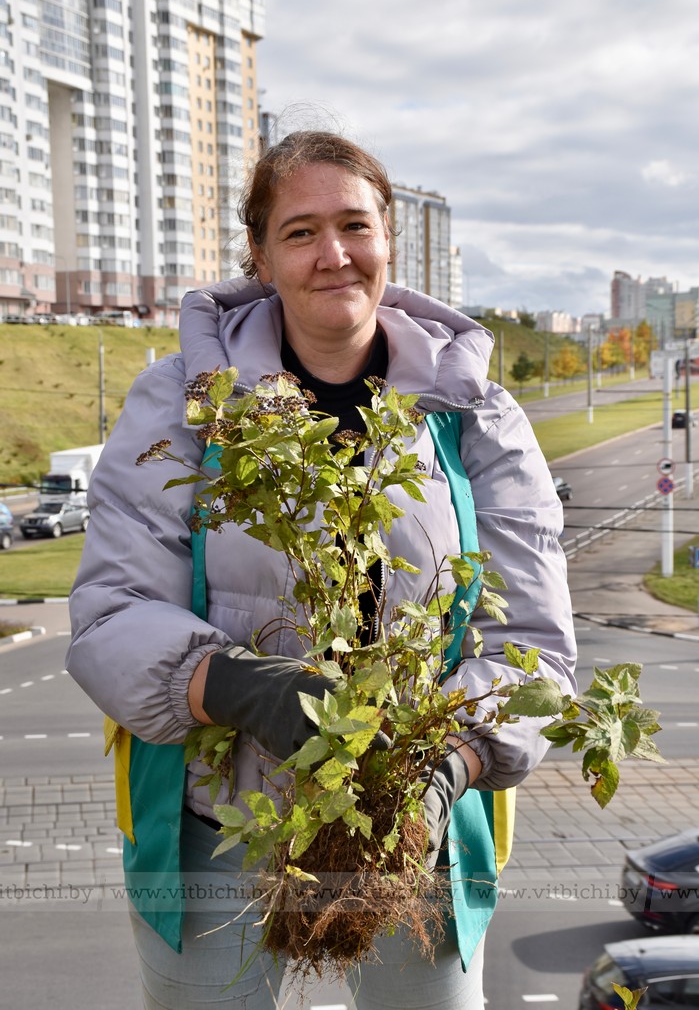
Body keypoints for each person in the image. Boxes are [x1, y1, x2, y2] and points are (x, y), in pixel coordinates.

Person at [66, 130, 576, 1009]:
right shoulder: (185, 401)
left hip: (407, 830)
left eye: (354, 225)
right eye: (300, 232)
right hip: (217, 819)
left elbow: (534, 646)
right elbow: (110, 613)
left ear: (390, 241)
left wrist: (446, 764)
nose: (332, 255)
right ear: (259, 256)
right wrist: (241, 685)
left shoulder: (472, 413)